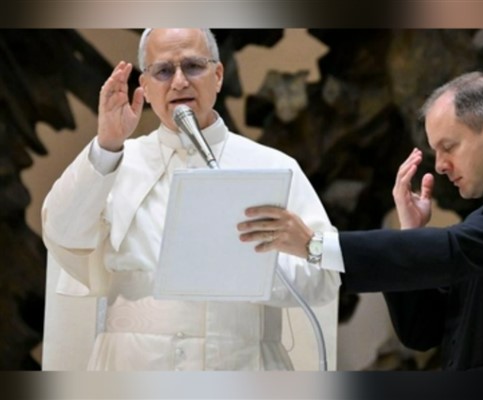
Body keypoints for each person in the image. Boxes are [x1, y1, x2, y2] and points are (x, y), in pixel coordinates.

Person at [238, 71, 483, 370]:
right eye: (435, 151)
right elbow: (422, 331)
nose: (439, 166)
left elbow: (454, 250)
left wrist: (316, 245)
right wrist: (410, 230)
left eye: (449, 147)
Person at [41, 28, 341, 371]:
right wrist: (107, 145)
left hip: (241, 366)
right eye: (163, 71)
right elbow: (62, 235)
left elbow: (324, 277)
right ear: (145, 87)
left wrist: (243, 272)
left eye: (194, 66)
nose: (180, 82)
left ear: (218, 76)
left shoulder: (272, 166)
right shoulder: (115, 160)